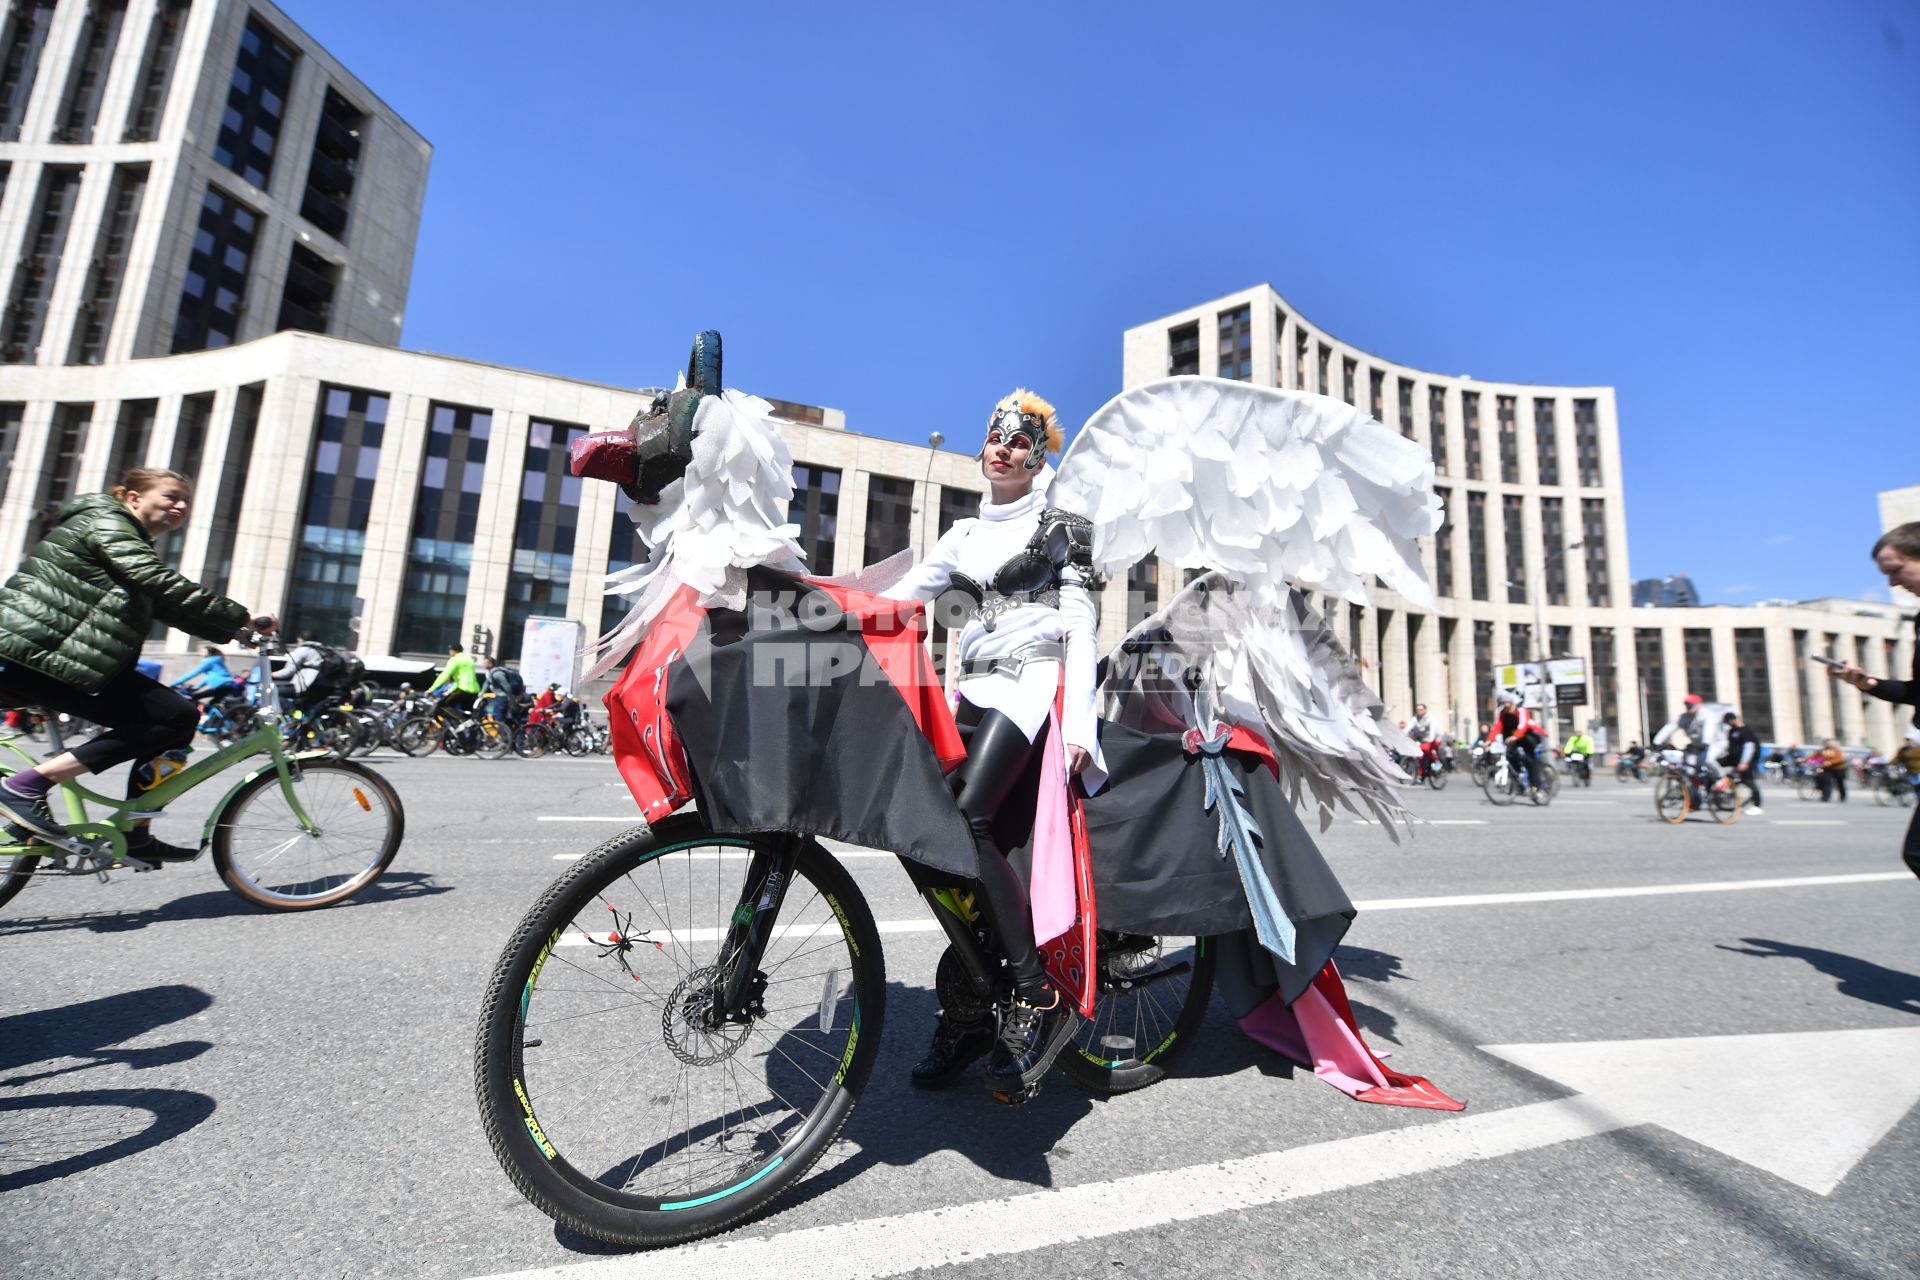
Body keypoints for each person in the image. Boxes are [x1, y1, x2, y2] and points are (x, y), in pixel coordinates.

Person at [882, 389, 1097, 1099]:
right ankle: (977, 997)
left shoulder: (1060, 523)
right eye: (995, 435)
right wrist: (796, 598)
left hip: (1030, 684)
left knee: (968, 818)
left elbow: (1081, 625)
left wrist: (1083, 727)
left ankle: (1035, 994)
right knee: (923, 833)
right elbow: (897, 602)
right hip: (968, 691)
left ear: (1041, 454)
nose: (1002, 446)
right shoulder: (962, 538)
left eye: (1020, 438)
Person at [0, 469, 274, 858]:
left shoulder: (125, 538)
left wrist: (236, 633)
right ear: (132, 498)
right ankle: (27, 785)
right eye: (171, 496)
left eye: (186, 501)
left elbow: (162, 603)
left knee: (177, 723)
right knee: (174, 715)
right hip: (37, 654)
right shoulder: (106, 522)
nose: (181, 506)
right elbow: (156, 580)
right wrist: (240, 616)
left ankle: (135, 832)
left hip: (57, 656)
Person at [1486, 692, 1545, 794]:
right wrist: (1489, 740)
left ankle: (1536, 787)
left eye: (1507, 703)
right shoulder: (1503, 713)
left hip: (1528, 737)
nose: (1505, 706)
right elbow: (1497, 727)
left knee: (1529, 760)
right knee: (1510, 757)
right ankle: (1519, 782)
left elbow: (1523, 725)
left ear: (1511, 703)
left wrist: (1515, 736)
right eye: (1503, 704)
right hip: (1515, 739)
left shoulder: (1521, 710)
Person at [1720, 711, 1763, 814]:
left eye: (1728, 722)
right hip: (1733, 759)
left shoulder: (1746, 731)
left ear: (1733, 720)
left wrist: (1744, 762)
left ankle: (1757, 805)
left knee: (1748, 781)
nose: (1727, 724)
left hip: (1746, 761)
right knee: (1713, 765)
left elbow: (1749, 748)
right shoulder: (1732, 731)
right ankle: (1718, 795)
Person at [426, 643, 480, 716]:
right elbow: (462, 680)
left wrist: (431, 689)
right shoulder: (469, 659)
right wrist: (450, 690)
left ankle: (458, 722)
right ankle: (467, 725)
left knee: (442, 705)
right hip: (475, 690)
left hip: (463, 689)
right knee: (468, 713)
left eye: (450, 650)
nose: (449, 652)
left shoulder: (454, 660)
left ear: (453, 651)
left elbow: (444, 675)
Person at [171, 645, 237, 695]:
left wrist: (174, 684)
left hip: (221, 685)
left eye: (203, 651)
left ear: (209, 653)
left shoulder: (209, 661)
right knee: (212, 705)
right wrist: (198, 687)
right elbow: (210, 678)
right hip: (228, 684)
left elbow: (193, 674)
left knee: (195, 697)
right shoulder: (216, 660)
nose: (200, 652)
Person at [1407, 703, 1441, 780]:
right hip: (1423, 740)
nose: (1419, 711)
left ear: (1425, 710)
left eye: (1421, 709)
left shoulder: (1431, 718)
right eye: (1418, 709)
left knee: (1426, 749)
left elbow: (1433, 730)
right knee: (1420, 756)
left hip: (1434, 738)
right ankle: (1421, 775)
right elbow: (1408, 727)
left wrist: (1431, 739)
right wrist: (1401, 736)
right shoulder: (1415, 719)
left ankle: (1437, 762)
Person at [479, 656, 515, 725]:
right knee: (490, 714)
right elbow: (487, 683)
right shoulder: (489, 672)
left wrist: (511, 698)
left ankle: (504, 734)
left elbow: (507, 687)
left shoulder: (497, 674)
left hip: (502, 698)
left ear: (490, 664)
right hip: (495, 698)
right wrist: (481, 693)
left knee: (499, 718)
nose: (483, 664)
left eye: (485, 663)